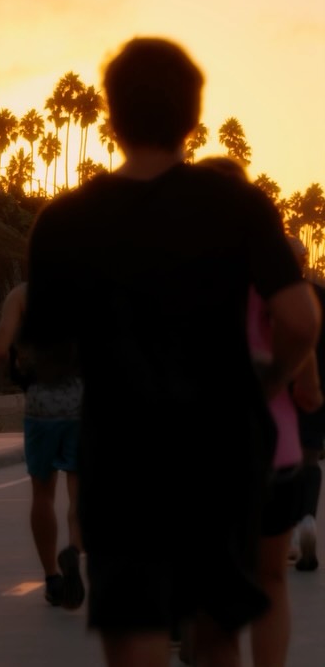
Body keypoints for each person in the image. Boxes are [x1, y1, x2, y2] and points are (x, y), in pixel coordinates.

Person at [20, 37, 321, 667]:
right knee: (215, 636)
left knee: (135, 635)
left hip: (122, 454)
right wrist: (269, 380)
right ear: (192, 118)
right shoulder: (237, 206)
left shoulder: (66, 220)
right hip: (222, 451)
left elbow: (48, 347)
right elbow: (299, 316)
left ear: (112, 115)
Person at [191, 158, 323, 667]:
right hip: (274, 447)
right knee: (271, 580)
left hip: (198, 451)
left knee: (213, 605)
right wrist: (291, 378)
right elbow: (306, 375)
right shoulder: (273, 264)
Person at [0, 281, 85, 610]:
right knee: (80, 490)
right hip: (80, 404)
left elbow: (0, 349)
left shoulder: (21, 295)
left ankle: (52, 579)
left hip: (41, 406)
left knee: (42, 495)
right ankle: (73, 549)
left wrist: (20, 376)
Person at [290, 237, 325, 571]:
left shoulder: (267, 301)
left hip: (278, 395)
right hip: (316, 392)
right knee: (310, 459)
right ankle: (307, 520)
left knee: (280, 462)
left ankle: (284, 535)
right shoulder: (320, 298)